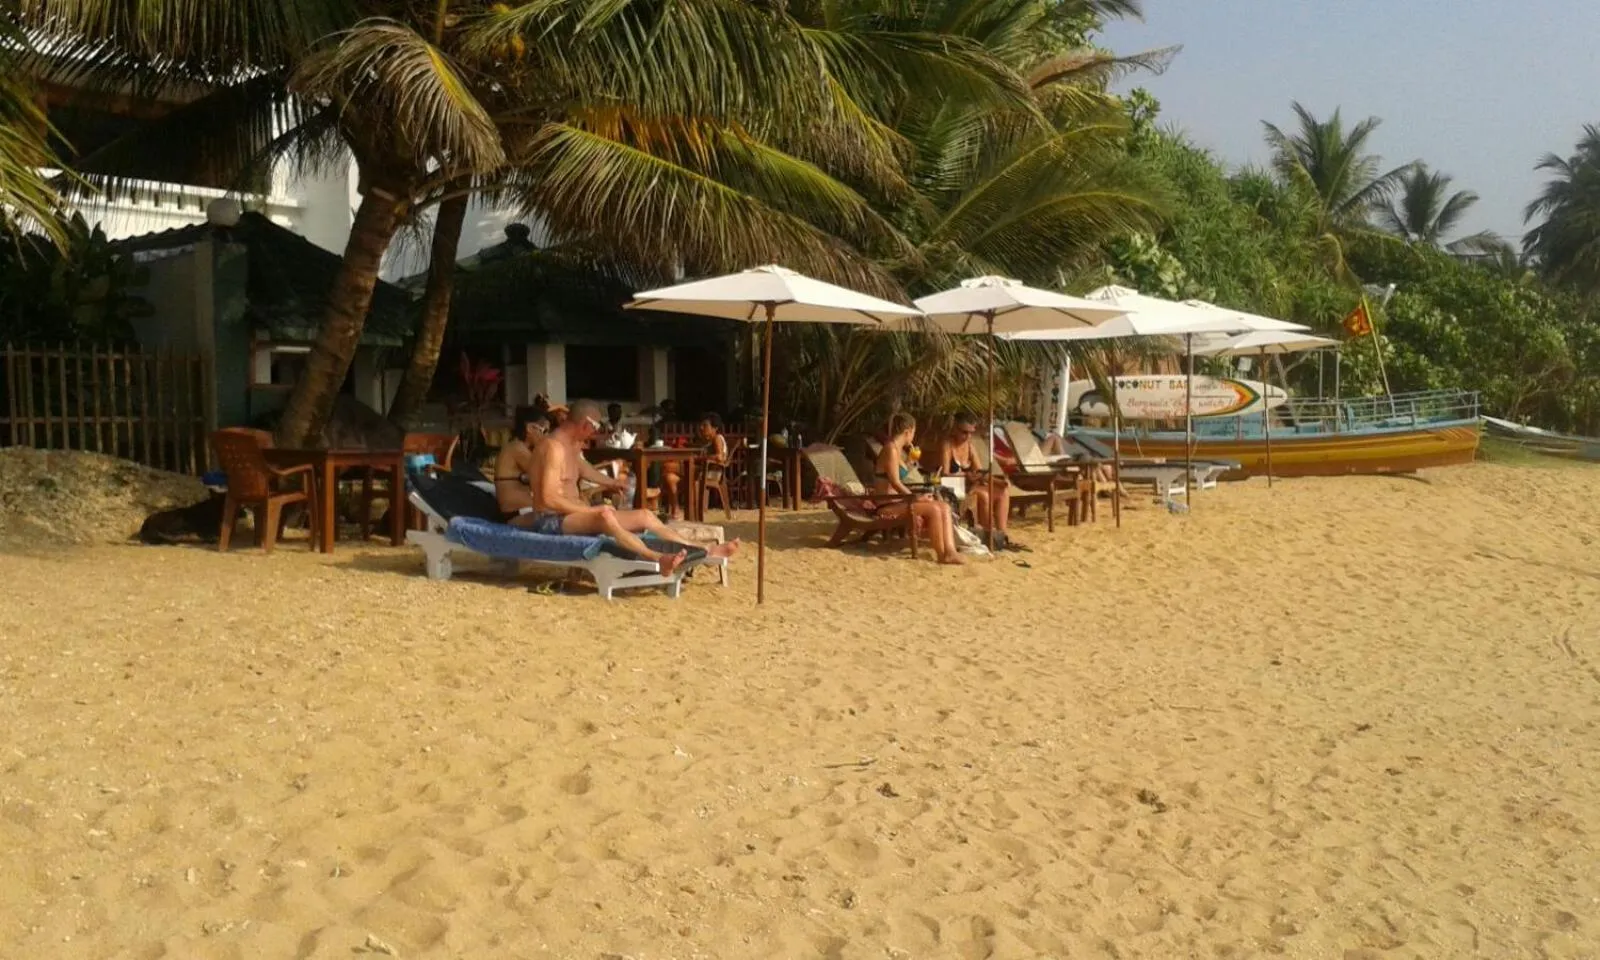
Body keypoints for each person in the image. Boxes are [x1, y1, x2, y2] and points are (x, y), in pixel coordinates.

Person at [526, 400, 739, 573]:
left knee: (645, 515)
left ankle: (705, 549)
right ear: (585, 424)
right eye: (596, 427)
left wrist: (613, 482)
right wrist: (592, 510)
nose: (595, 433)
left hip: (574, 515)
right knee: (605, 516)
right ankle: (658, 559)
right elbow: (547, 498)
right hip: (551, 520)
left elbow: (584, 469)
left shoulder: (570, 446)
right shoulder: (553, 448)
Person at [874, 413, 963, 565]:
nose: (913, 437)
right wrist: (915, 498)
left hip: (898, 502)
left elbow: (899, 474)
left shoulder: (897, 450)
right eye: (913, 432)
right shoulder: (891, 449)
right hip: (887, 505)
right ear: (908, 431)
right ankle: (941, 554)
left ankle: (950, 551)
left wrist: (910, 461)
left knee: (944, 507)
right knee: (934, 509)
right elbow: (895, 482)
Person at [925, 411, 1010, 539]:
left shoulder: (969, 446)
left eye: (971, 433)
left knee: (1003, 491)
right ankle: (988, 534)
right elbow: (945, 475)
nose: (968, 436)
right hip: (950, 487)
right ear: (955, 428)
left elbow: (980, 472)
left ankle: (1002, 534)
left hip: (968, 485)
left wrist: (999, 482)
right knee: (984, 495)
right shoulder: (947, 445)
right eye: (964, 432)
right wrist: (965, 476)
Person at [493, 405, 552, 512]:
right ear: (530, 428)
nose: (546, 437)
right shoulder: (517, 449)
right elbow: (545, 474)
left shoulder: (518, 447)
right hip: (516, 510)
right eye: (545, 431)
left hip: (524, 507)